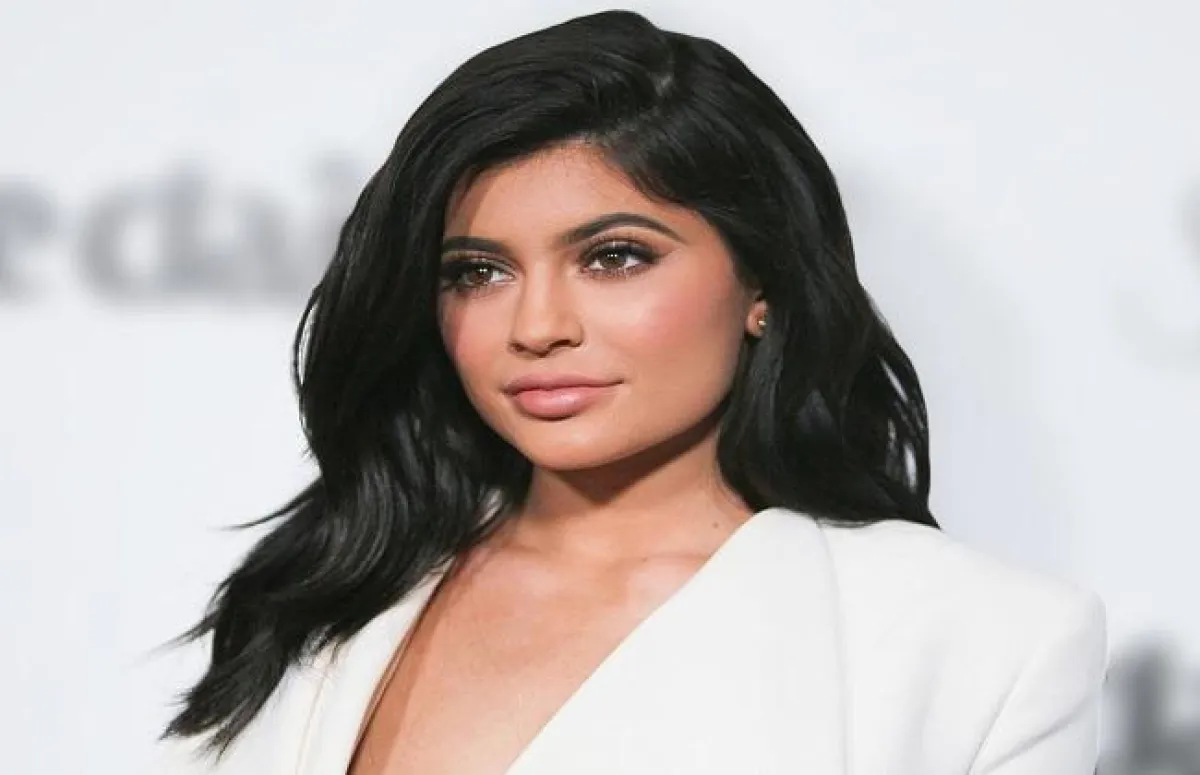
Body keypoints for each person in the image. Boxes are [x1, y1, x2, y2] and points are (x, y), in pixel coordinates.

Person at [152, 9, 1107, 774]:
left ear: (763, 285)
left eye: (614, 257)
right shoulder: (325, 591)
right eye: (479, 272)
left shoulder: (979, 642)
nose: (537, 325)